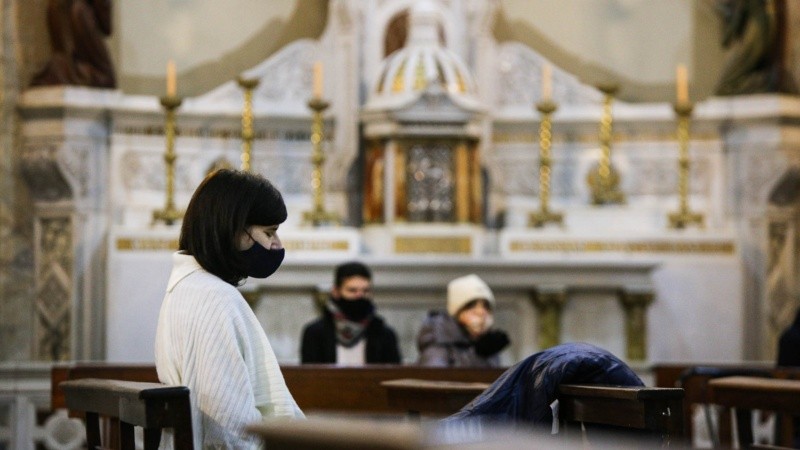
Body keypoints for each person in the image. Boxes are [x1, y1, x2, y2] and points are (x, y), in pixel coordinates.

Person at [154, 169, 303, 449]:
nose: (277, 245)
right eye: (269, 232)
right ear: (234, 228)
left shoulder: (186, 287)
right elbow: (228, 427)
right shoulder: (214, 297)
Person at [300, 261, 401, 365]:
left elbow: (394, 374)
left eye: (365, 291)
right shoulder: (315, 333)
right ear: (336, 292)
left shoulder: (383, 333)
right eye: (352, 290)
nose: (360, 296)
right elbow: (310, 375)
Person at [417, 274, 509, 367]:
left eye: (486, 306)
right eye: (471, 306)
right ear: (457, 312)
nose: (481, 312)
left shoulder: (487, 346)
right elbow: (438, 377)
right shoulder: (438, 345)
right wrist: (478, 354)